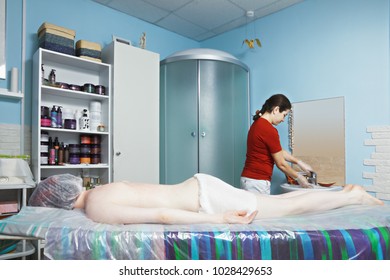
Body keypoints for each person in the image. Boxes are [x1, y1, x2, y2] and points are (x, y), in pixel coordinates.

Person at [28, 173, 383, 225]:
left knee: (288, 208)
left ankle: (352, 195)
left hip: (206, 199)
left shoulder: (96, 206)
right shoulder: (101, 189)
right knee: (279, 203)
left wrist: (220, 220)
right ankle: (348, 195)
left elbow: (164, 215)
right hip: (200, 186)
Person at [241, 93, 314, 194]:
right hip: (257, 181)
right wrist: (299, 178)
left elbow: (278, 151)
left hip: (250, 180)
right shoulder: (268, 129)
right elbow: (281, 164)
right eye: (284, 115)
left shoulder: (258, 124)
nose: (283, 119)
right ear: (276, 110)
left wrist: (299, 162)